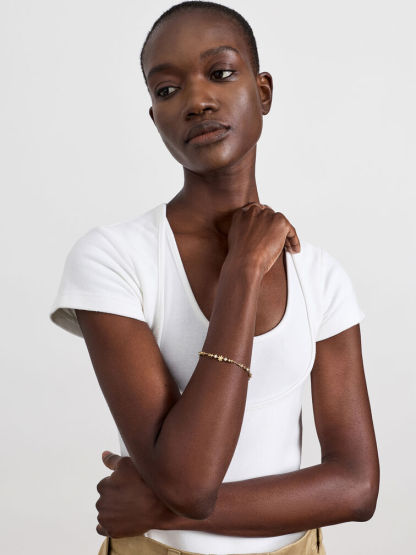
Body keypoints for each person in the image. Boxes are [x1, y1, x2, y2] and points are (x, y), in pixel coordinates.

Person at [49, 2, 379, 554]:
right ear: (155, 117)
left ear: (263, 92)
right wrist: (243, 273)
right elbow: (189, 481)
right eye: (167, 90)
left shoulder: (319, 277)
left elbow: (356, 487)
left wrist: (159, 506)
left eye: (220, 73)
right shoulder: (114, 258)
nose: (197, 100)